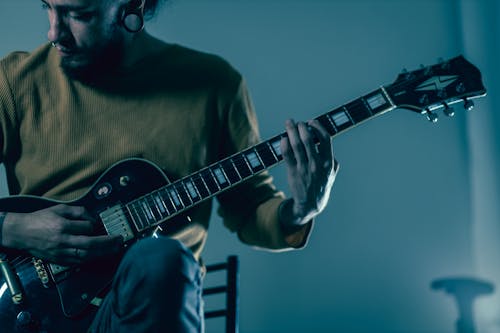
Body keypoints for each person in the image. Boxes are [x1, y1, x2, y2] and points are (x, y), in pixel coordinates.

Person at [0, 0, 339, 332]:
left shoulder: (214, 85)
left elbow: (250, 210)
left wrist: (301, 209)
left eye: (79, 14)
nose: (53, 32)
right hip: (36, 317)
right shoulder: (16, 82)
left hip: (156, 310)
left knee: (161, 257)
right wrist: (12, 227)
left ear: (131, 6)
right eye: (47, 6)